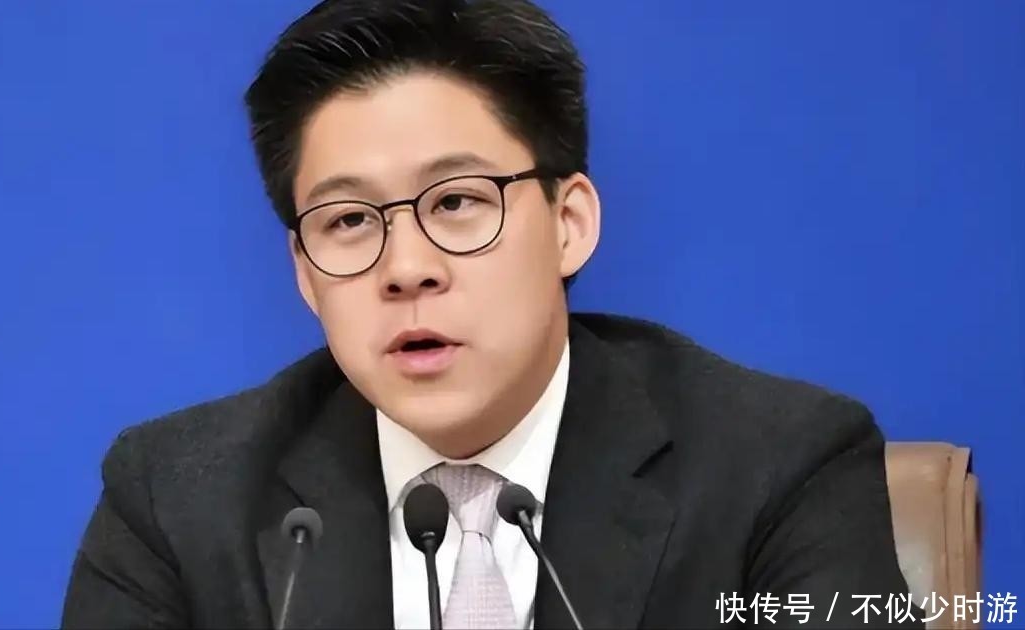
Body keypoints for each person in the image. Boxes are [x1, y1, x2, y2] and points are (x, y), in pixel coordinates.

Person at [61, 0, 921, 628]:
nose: (406, 269)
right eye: (349, 221)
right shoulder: (176, 501)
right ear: (305, 273)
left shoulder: (779, 469)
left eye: (457, 202)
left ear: (569, 224)